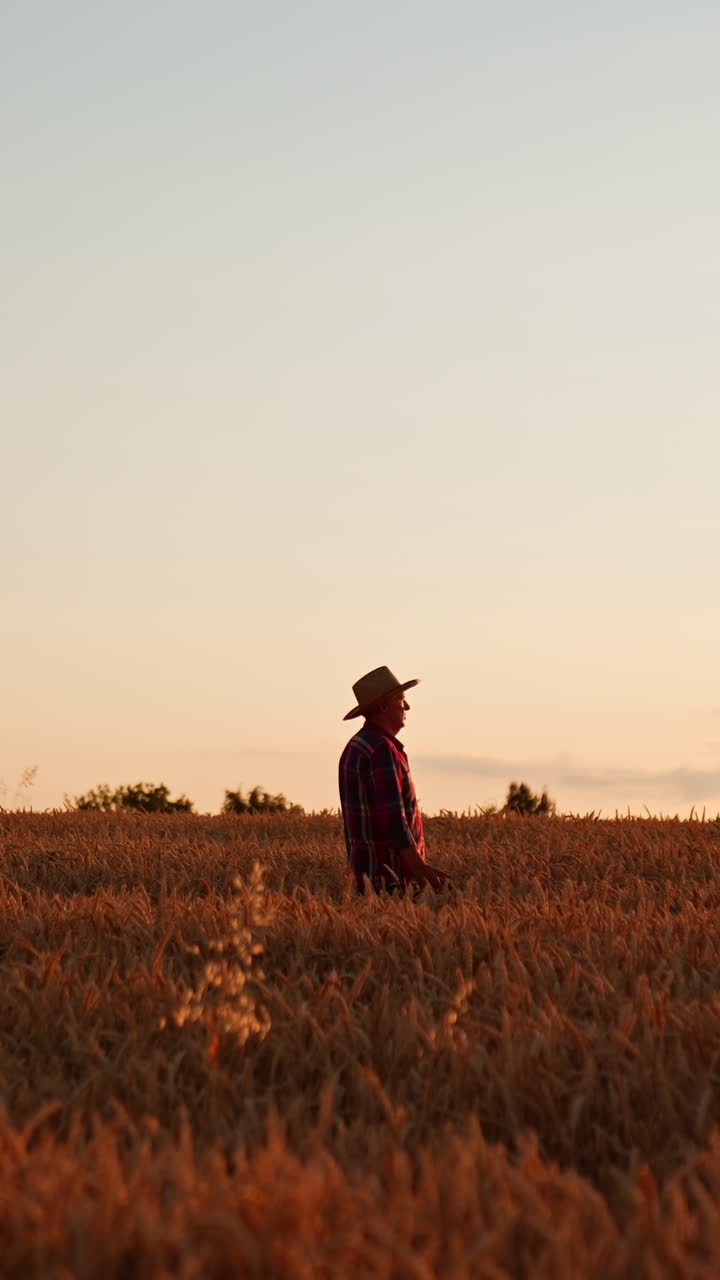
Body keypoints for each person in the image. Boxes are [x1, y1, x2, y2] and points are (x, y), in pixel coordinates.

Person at [338, 665, 450, 895]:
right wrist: (418, 867)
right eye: (401, 699)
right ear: (383, 706)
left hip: (371, 874)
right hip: (391, 877)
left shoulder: (359, 745)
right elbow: (392, 819)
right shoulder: (380, 749)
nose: (407, 706)